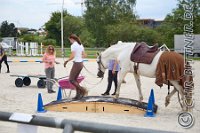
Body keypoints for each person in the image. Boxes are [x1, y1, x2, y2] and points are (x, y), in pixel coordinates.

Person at [64, 34, 87, 99]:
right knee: (75, 80)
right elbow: (85, 55)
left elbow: (73, 55)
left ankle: (83, 90)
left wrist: (66, 61)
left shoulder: (73, 45)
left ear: (72, 39)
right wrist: (79, 57)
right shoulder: (80, 45)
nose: (70, 41)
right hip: (80, 64)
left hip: (77, 64)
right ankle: (78, 95)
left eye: (70, 40)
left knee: (71, 79)